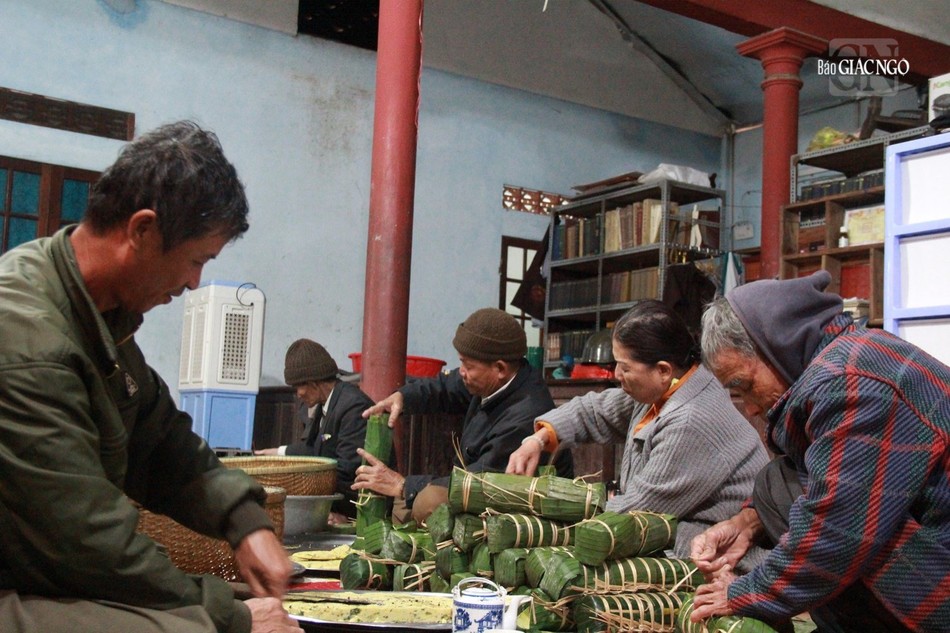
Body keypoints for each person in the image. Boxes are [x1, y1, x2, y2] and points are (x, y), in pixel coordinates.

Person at [0, 121, 301, 633]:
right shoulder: (29, 341)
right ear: (142, 230)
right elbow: (87, 542)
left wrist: (245, 523)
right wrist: (228, 617)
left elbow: (161, 440)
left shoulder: (100, 315)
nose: (193, 283)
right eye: (196, 261)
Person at [690, 271, 950, 632]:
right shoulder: (847, 356)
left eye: (745, 386)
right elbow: (816, 473)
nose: (750, 408)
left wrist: (745, 594)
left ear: (776, 345)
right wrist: (747, 524)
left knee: (797, 501)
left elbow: (838, 528)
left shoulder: (850, 383)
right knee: (777, 481)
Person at [507, 300, 769, 568]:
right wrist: (538, 439)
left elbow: (636, 513)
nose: (616, 374)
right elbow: (594, 410)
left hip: (721, 557)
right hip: (676, 534)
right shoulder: (667, 388)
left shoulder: (691, 419)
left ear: (663, 370)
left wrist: (545, 521)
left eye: (625, 367)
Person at [353, 307, 573, 523]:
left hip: (512, 510)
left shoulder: (525, 416)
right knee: (404, 507)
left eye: (468, 365)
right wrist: (403, 397)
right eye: (461, 362)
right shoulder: (494, 380)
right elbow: (446, 386)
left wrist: (403, 485)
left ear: (500, 368)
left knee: (426, 502)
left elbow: (481, 481)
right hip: (476, 483)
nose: (462, 372)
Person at [255, 338, 374, 525]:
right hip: (335, 502)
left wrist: (294, 482)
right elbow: (314, 450)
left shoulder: (352, 406)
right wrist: (277, 453)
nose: (298, 394)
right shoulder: (325, 403)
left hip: (358, 508)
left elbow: (349, 470)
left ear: (313, 383)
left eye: (298, 387)